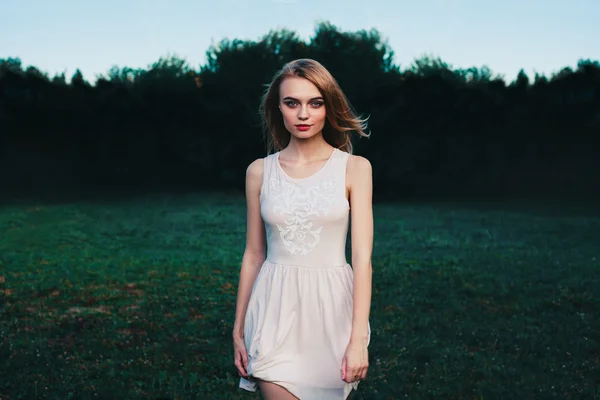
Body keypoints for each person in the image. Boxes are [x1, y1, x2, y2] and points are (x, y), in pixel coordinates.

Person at [232, 58, 374, 400]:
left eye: (315, 103)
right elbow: (253, 255)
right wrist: (238, 329)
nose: (303, 114)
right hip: (273, 310)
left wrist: (357, 339)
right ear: (278, 108)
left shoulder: (354, 168)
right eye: (292, 103)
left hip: (332, 313)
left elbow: (362, 258)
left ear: (329, 106)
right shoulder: (259, 172)